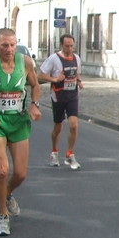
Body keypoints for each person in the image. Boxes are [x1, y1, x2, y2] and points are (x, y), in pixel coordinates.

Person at [0, 28, 42, 236]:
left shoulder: (25, 62)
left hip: (19, 120)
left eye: (12, 45)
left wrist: (34, 104)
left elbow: (35, 85)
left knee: (20, 174)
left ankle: (8, 193)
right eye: (4, 45)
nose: (9, 49)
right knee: (2, 170)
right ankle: (3, 216)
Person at [38, 34, 83, 170]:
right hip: (58, 96)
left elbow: (77, 74)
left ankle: (70, 154)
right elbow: (40, 75)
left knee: (74, 125)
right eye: (66, 46)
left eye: (71, 46)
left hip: (72, 96)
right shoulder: (53, 59)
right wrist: (55, 79)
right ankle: (54, 152)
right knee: (58, 127)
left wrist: (79, 82)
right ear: (61, 45)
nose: (69, 49)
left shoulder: (76, 58)